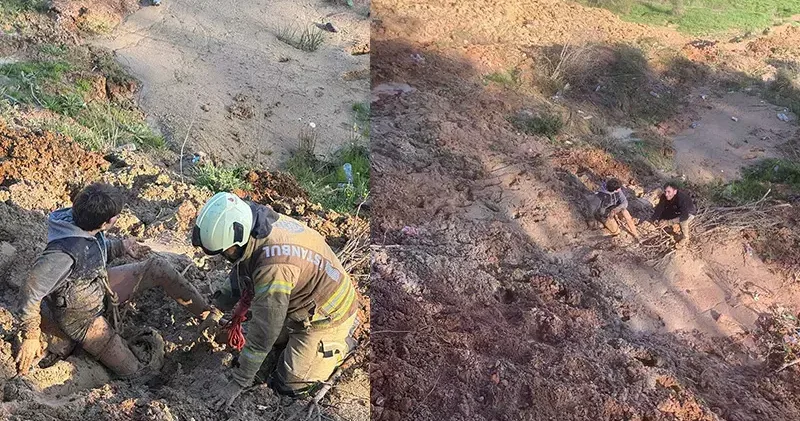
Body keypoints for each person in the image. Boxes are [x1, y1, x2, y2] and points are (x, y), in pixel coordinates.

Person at [15, 183, 223, 378]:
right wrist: (31, 336)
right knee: (137, 372)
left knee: (158, 268)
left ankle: (207, 314)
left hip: (95, 285)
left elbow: (92, 246)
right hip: (80, 317)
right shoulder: (61, 255)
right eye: (114, 217)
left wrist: (121, 246)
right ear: (105, 222)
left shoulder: (80, 220)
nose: (116, 220)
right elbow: (31, 291)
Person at [193, 192, 359, 410]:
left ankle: (339, 346)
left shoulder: (273, 266)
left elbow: (264, 331)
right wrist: (217, 307)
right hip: (298, 304)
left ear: (238, 239)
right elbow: (242, 269)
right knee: (268, 346)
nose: (225, 257)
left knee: (290, 386)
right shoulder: (255, 222)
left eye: (226, 252)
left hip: (328, 317)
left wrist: (239, 381)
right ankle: (293, 342)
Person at [651, 182, 696, 247]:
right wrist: (655, 218)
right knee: (664, 213)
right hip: (676, 211)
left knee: (682, 220)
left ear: (675, 191)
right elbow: (659, 208)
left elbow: (684, 216)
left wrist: (668, 222)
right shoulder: (664, 196)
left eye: (669, 192)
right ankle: (672, 226)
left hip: (689, 214)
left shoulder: (681, 199)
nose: (666, 194)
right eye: (665, 191)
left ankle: (685, 238)